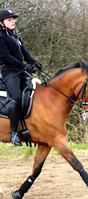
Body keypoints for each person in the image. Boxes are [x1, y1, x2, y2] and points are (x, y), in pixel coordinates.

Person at [0, 9, 42, 146]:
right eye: (9, 19)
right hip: (9, 72)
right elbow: (5, 57)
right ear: (1, 23)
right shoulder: (1, 36)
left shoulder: (15, 37)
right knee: (16, 98)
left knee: (36, 93)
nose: (12, 21)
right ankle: (13, 133)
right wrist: (24, 66)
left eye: (13, 19)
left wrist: (34, 63)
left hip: (21, 72)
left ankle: (30, 127)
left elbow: (25, 54)